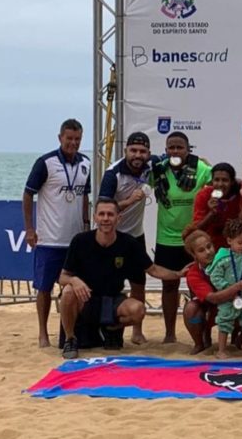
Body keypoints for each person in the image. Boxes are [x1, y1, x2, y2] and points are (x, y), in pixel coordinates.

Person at [58, 198, 192, 359]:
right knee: (67, 292)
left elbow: (153, 269)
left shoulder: (129, 243)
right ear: (95, 217)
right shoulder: (80, 240)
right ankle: (70, 339)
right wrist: (74, 281)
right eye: (101, 214)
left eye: (110, 214)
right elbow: (62, 277)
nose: (106, 218)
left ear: (118, 218)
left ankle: (111, 329)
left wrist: (177, 274)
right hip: (86, 298)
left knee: (138, 310)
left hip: (113, 300)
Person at [23, 118, 91, 348]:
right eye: (69, 138)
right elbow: (27, 194)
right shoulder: (45, 163)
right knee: (44, 288)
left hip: (74, 240)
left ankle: (68, 333)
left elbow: (84, 197)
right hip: (49, 239)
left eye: (78, 139)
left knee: (73, 289)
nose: (73, 143)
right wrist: (30, 229)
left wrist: (86, 224)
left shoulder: (86, 163)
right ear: (60, 138)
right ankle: (43, 332)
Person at [151, 131, 212, 343]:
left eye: (179, 147)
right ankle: (170, 334)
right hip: (166, 239)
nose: (175, 151)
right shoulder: (157, 171)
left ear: (188, 150)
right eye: (171, 147)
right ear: (166, 150)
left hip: (193, 239)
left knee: (200, 286)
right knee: (169, 286)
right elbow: (133, 177)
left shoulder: (202, 169)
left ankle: (201, 335)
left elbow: (223, 184)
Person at [98, 131, 156, 344]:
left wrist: (201, 161)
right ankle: (104, 325)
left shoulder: (151, 165)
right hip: (113, 238)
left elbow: (172, 157)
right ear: (125, 151)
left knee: (138, 283)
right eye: (133, 150)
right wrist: (130, 200)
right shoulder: (113, 174)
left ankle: (137, 331)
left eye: (142, 151)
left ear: (148, 153)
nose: (137, 155)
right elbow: (103, 207)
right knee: (108, 283)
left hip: (136, 237)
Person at [207, 219, 242, 358]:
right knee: (225, 320)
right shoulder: (223, 257)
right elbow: (215, 277)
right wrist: (228, 289)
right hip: (227, 297)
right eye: (239, 243)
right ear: (229, 240)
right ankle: (221, 349)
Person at [187, 162, 242, 252]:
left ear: (232, 182)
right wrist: (211, 213)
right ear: (212, 181)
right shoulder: (203, 195)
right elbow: (196, 231)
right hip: (210, 250)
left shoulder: (240, 194)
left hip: (235, 248)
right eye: (216, 180)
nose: (220, 184)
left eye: (225, 180)